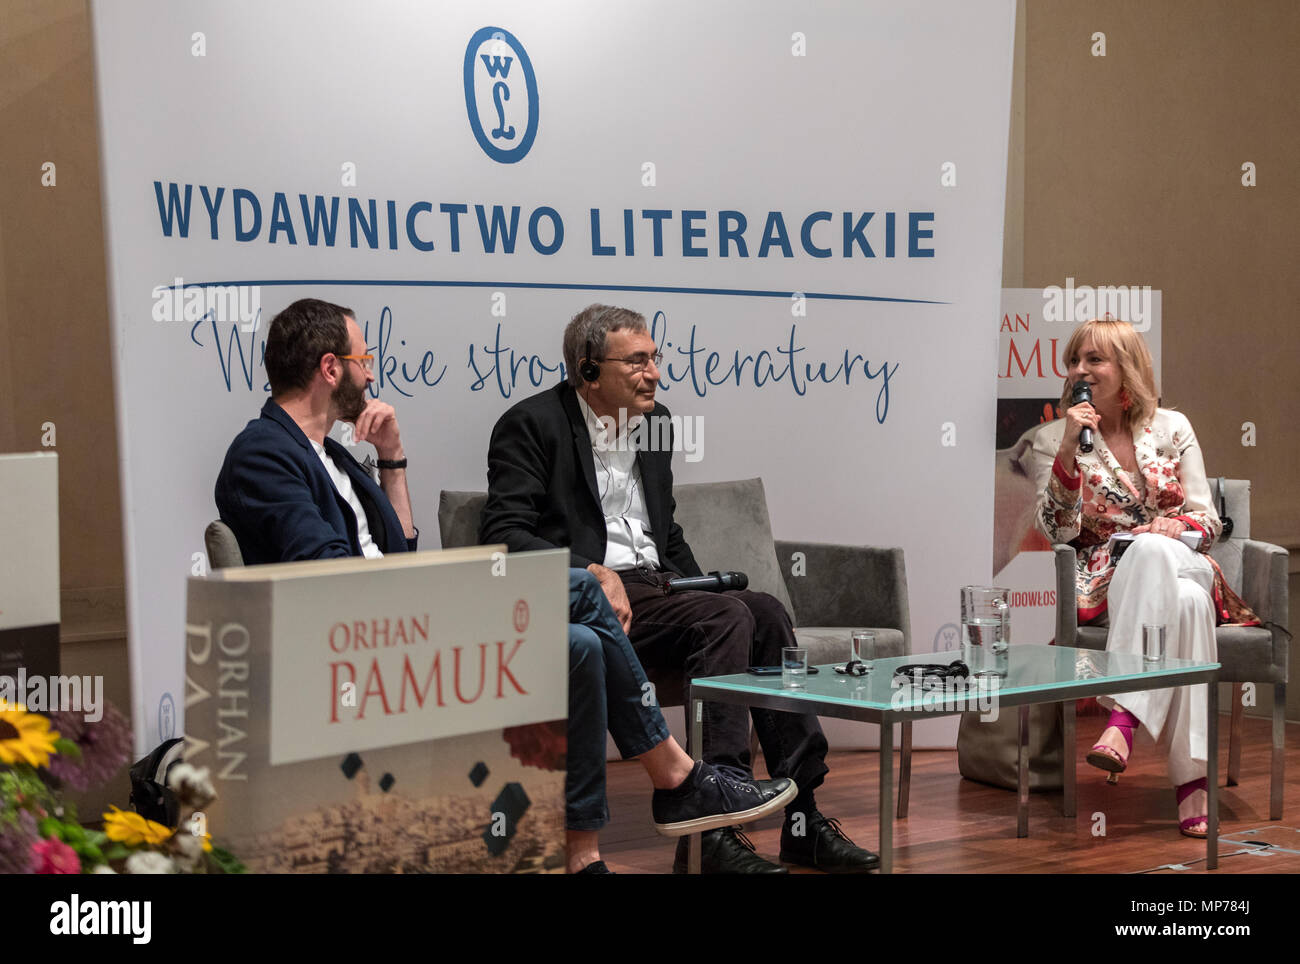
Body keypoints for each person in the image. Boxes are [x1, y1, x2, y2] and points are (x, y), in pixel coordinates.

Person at [215, 298, 791, 874]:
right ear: (330, 368)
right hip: (359, 638)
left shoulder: (336, 455)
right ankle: (676, 775)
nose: (371, 370)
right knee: (587, 591)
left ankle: (583, 857)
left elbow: (400, 548)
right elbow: (330, 574)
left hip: (396, 615)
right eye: (363, 357)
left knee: (583, 645)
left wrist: (392, 461)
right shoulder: (263, 452)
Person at [480, 303, 881, 874]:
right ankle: (713, 833)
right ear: (588, 370)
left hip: (657, 588)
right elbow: (503, 537)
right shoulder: (532, 424)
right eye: (637, 361)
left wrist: (703, 588)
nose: (655, 373)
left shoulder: (657, 422)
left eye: (655, 358)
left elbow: (663, 532)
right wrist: (590, 571)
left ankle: (803, 821)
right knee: (726, 620)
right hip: (596, 604)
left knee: (761, 611)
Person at [1027, 318, 1224, 837]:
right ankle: (1192, 783)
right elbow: (1059, 531)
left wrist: (1171, 526)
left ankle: (1123, 720)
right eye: (1074, 360)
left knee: (1159, 552)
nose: (1080, 371)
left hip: (1184, 558)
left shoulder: (1172, 426)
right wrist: (1070, 445)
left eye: (1094, 360)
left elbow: (1208, 519)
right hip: (1111, 580)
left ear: (1125, 368)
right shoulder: (1055, 437)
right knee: (1187, 607)